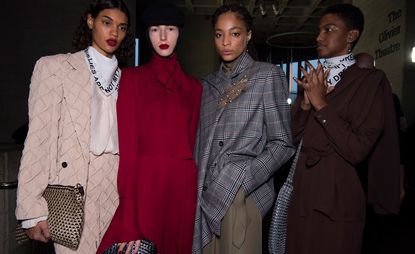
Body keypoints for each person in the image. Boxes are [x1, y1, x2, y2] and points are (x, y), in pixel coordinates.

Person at [15, 0, 133, 253]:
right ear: (90, 21)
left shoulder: (130, 81)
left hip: (116, 190)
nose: (114, 33)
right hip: (71, 190)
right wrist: (31, 210)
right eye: (106, 23)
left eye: (121, 28)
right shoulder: (54, 68)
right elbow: (38, 140)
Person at [283, 4, 400, 254]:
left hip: (336, 199)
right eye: (318, 31)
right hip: (302, 193)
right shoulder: (315, 78)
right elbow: (291, 138)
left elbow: (357, 149)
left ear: (351, 36)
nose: (319, 37)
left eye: (328, 30)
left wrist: (321, 104)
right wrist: (304, 105)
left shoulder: (370, 81)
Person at [97, 2, 202, 254]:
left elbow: (190, 144)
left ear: (180, 33)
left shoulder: (194, 88)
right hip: (145, 186)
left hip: (182, 189)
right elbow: (128, 151)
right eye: (155, 29)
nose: (163, 37)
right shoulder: (131, 79)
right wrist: (130, 218)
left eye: (170, 29)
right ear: (147, 34)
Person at [192, 4, 295, 254]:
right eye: (219, 34)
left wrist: (244, 178)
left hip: (242, 198)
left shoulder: (267, 75)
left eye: (234, 33)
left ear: (248, 35)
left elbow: (283, 144)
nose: (226, 42)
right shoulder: (206, 85)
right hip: (205, 198)